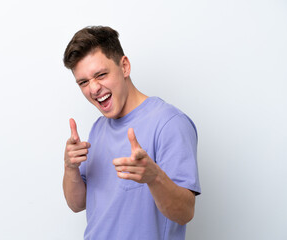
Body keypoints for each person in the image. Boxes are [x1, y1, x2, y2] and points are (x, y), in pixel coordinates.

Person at [62, 26, 201, 240]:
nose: (93, 88)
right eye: (83, 82)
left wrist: (154, 177)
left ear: (124, 66)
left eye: (100, 75)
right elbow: (77, 204)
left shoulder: (170, 123)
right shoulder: (98, 128)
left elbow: (184, 213)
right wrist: (70, 167)